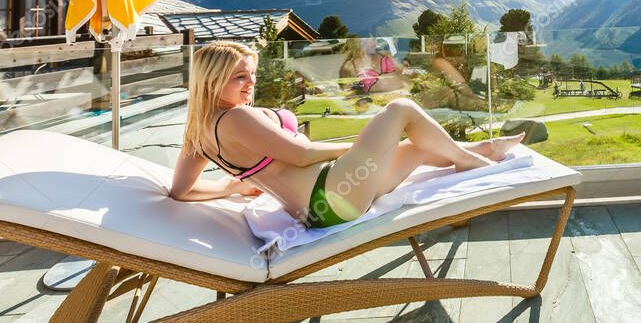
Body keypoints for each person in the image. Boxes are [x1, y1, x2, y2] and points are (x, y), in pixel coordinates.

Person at [170, 41, 524, 228]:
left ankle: (484, 148)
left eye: (251, 74)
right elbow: (302, 155)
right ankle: (474, 162)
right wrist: (359, 146)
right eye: (240, 77)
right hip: (332, 192)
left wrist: (232, 186)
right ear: (212, 80)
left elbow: (180, 191)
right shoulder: (237, 118)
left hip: (325, 205)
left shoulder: (200, 132)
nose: (251, 83)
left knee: (413, 150)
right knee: (401, 109)